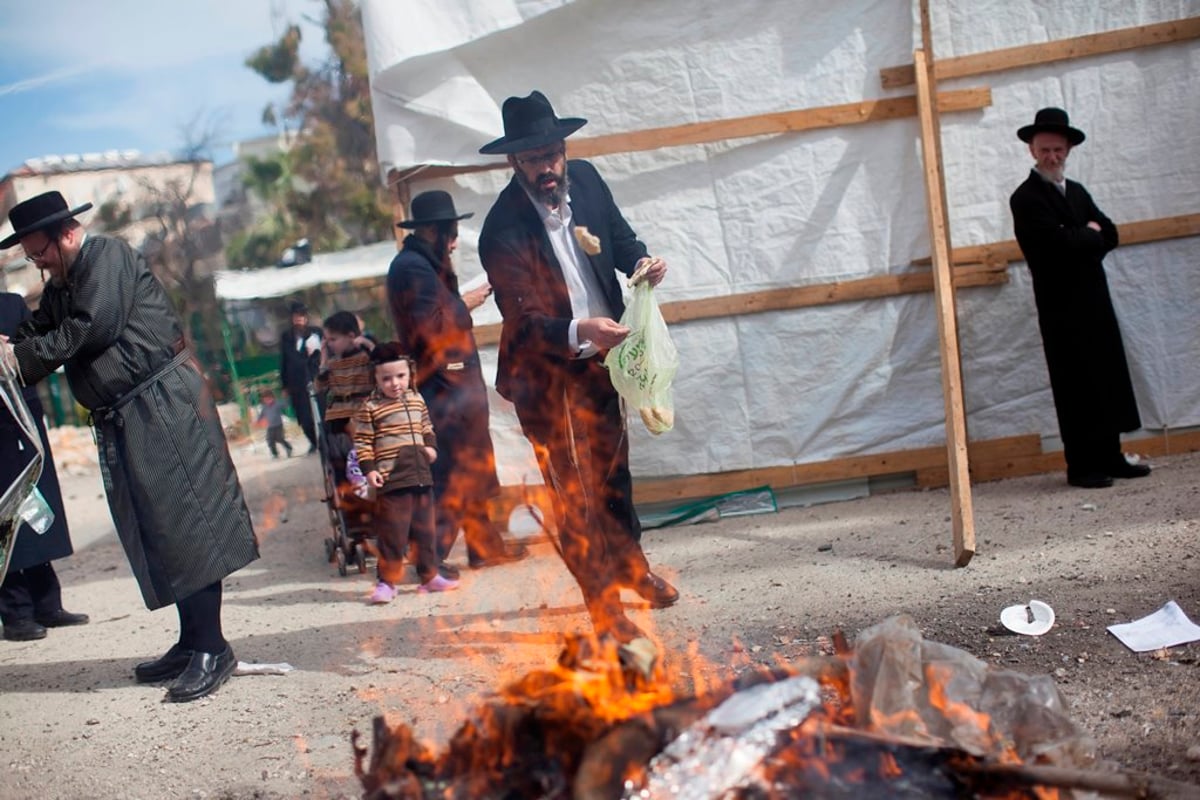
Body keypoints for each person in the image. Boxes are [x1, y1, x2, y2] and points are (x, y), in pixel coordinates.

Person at [0, 191, 258, 702]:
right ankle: (191, 641)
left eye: (41, 252)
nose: (39, 263)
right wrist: (9, 343)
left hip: (163, 404)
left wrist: (19, 361)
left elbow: (87, 329)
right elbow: (38, 325)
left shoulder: (108, 257)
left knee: (188, 519)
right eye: (30, 258)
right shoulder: (62, 281)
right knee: (161, 526)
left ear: (66, 232)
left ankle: (213, 647)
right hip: (129, 414)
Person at [477, 90, 678, 643]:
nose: (549, 167)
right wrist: (580, 330)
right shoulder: (501, 230)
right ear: (513, 161)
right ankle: (601, 602)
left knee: (613, 472)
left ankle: (633, 569)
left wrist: (640, 262)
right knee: (572, 491)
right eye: (535, 158)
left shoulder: (585, 180)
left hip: (598, 359)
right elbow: (524, 320)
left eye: (553, 152)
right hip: (544, 372)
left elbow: (617, 238)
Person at [387, 190, 530, 574]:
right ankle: (430, 559)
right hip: (443, 390)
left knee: (475, 471)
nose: (454, 241)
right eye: (450, 232)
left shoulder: (426, 263)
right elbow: (428, 328)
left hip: (458, 390)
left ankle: (485, 545)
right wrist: (464, 303)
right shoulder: (411, 268)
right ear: (434, 230)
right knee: (451, 475)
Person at [1009, 107, 1150, 490]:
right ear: (1032, 152)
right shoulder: (1025, 198)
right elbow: (1053, 246)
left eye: (1058, 150)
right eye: (1044, 150)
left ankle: (1110, 457)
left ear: (1068, 149)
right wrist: (1086, 235)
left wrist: (1082, 236)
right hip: (1061, 309)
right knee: (1075, 385)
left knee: (1105, 378)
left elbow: (1111, 233)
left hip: (1095, 302)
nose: (1052, 157)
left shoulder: (1077, 192)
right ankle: (1082, 466)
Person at [0, 291, 89, 642]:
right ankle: (15, 612)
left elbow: (35, 353)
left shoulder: (11, 304)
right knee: (4, 517)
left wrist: (12, 354)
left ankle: (46, 602)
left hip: (23, 420)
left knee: (37, 508)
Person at [353, 342, 458, 602]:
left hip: (421, 476)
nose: (394, 383)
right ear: (375, 379)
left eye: (400, 376)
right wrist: (369, 469)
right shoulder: (370, 408)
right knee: (393, 534)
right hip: (393, 480)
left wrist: (431, 447)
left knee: (426, 531)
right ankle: (387, 582)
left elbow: (426, 427)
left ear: (410, 374)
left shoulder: (416, 399)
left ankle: (430, 575)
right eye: (386, 378)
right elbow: (363, 442)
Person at [315, 310, 375, 475]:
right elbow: (319, 387)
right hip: (340, 416)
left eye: (333, 339)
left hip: (363, 411)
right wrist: (324, 360)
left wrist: (369, 345)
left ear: (351, 336)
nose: (330, 344)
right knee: (335, 443)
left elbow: (384, 365)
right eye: (327, 340)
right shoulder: (332, 364)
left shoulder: (366, 357)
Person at [279, 300, 322, 454]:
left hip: (314, 378)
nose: (299, 319)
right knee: (304, 418)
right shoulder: (287, 337)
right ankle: (314, 441)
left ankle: (324, 440)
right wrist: (284, 384)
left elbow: (321, 356)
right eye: (296, 316)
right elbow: (284, 360)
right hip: (296, 383)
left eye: (301, 316)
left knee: (320, 412)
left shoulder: (316, 333)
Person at [255, 389, 293, 459]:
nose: (268, 401)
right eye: (265, 400)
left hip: (278, 425)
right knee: (270, 440)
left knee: (279, 438)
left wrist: (286, 397)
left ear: (273, 398)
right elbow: (262, 414)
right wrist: (258, 421)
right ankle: (274, 453)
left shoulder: (277, 404)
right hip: (270, 426)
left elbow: (285, 404)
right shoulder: (264, 407)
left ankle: (288, 448)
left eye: (269, 399)